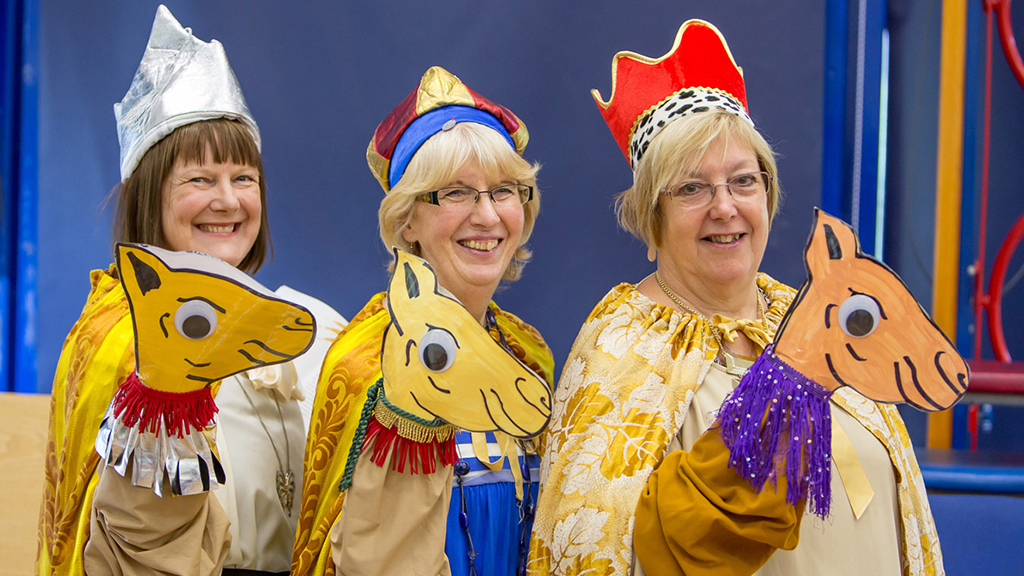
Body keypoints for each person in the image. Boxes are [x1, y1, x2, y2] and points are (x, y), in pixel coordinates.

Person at [528, 19, 942, 576]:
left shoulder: (813, 317)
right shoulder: (623, 346)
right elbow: (593, 546)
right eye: (692, 188)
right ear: (654, 215)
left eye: (744, 181)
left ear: (767, 195)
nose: (724, 207)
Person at [37, 6, 339, 575]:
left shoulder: (314, 326)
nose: (227, 200)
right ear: (151, 197)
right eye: (199, 179)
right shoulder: (120, 341)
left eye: (243, 178)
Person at [292, 66, 553, 576]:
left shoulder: (529, 352)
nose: (487, 215)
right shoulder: (367, 366)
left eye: (504, 190)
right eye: (455, 192)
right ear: (406, 219)